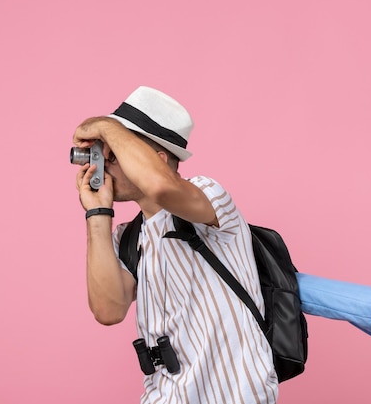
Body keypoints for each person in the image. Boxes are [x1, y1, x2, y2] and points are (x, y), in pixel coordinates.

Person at [73, 86, 278, 403]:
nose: (104, 165)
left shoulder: (208, 196)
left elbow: (161, 187)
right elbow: (108, 310)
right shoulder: (129, 237)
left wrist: (107, 126)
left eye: (114, 154)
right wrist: (98, 213)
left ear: (157, 159)